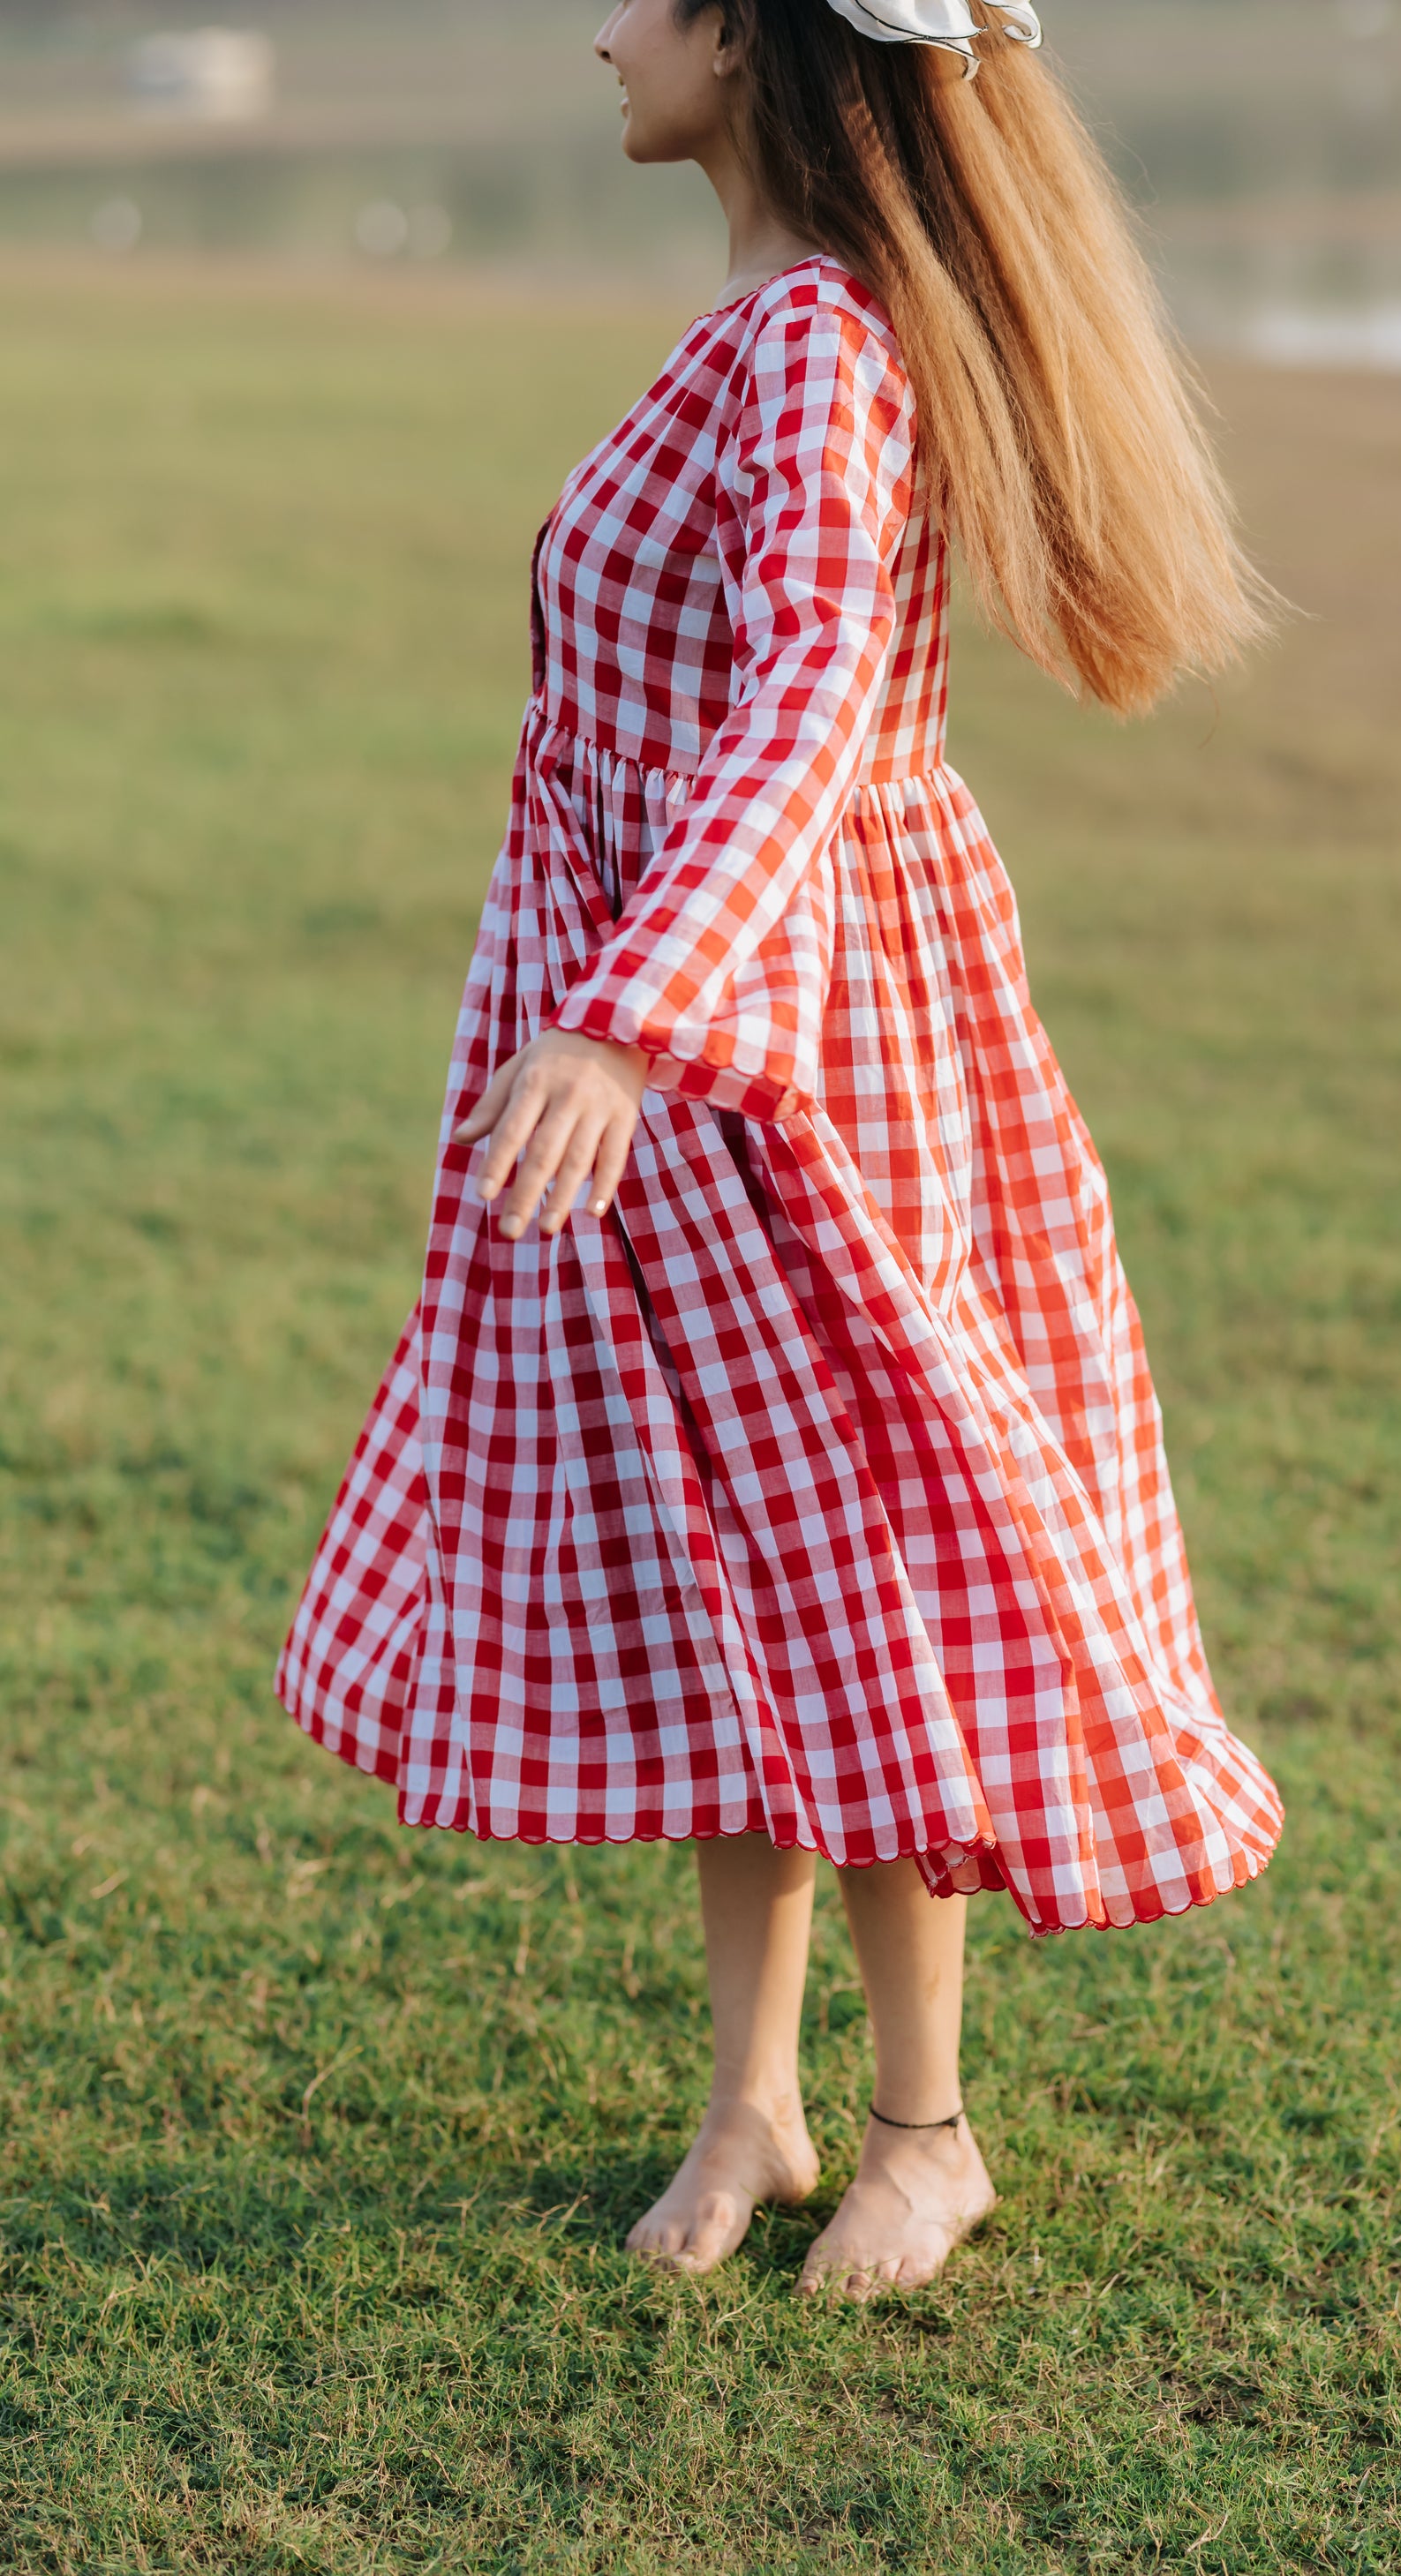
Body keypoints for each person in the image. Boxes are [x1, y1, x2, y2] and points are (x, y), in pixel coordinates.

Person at [277, 0, 1283, 2302]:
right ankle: (756, 2093)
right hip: (701, 1021)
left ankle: (926, 2132)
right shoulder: (760, 325)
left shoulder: (820, 346)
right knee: (733, 1557)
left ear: (745, 38)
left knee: (877, 1559)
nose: (596, 31)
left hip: (791, 1047)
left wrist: (633, 1033)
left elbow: (812, 706)